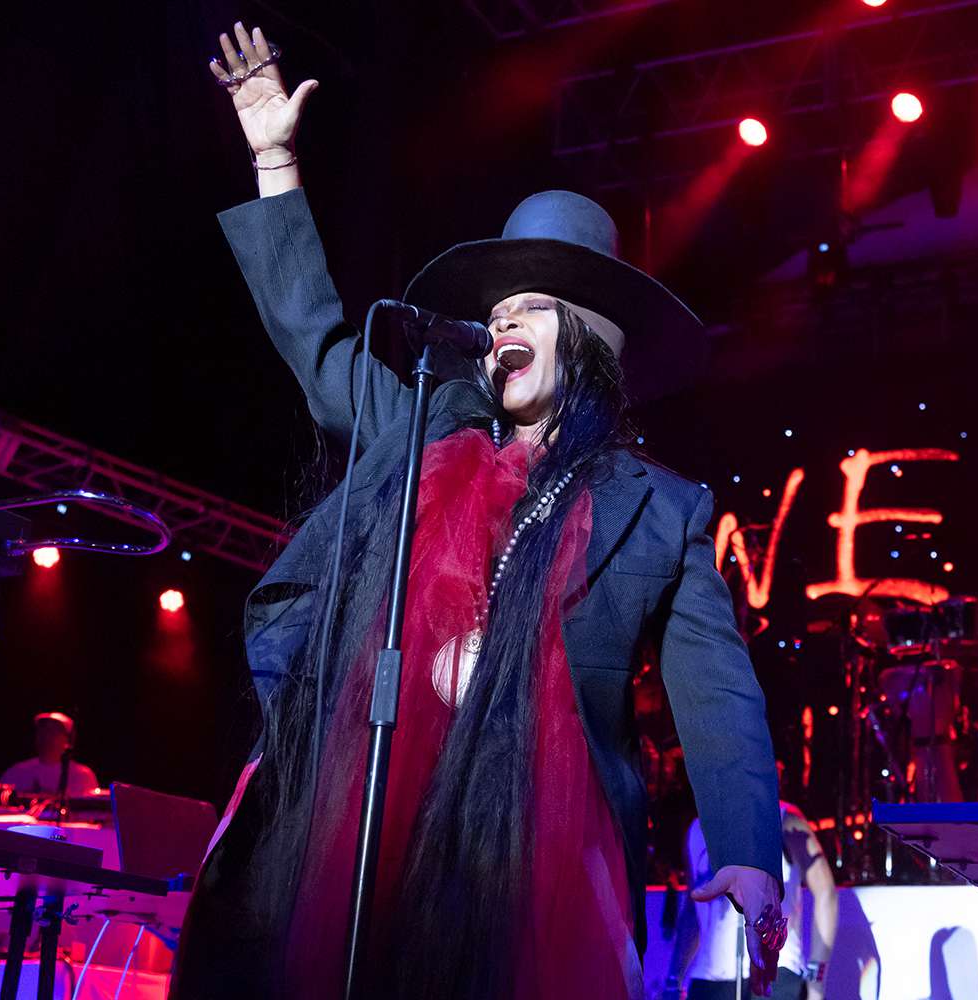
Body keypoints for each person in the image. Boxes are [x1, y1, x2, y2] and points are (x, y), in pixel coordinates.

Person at [173, 23, 784, 1000]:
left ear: (586, 343)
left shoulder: (661, 510)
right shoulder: (423, 430)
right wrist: (277, 162)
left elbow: (715, 687)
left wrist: (752, 850)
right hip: (379, 819)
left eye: (530, 306)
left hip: (539, 849)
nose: (503, 322)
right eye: (496, 309)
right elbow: (312, 339)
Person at [664, 802, 838, 999]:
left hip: (775, 972)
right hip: (709, 980)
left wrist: (816, 981)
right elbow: (693, 910)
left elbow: (825, 890)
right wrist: (674, 978)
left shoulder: (783, 818)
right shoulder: (697, 829)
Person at [0, 711, 99, 797]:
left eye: (53, 731)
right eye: (42, 730)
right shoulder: (16, 771)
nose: (46, 736)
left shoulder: (83, 776)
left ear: (68, 739)